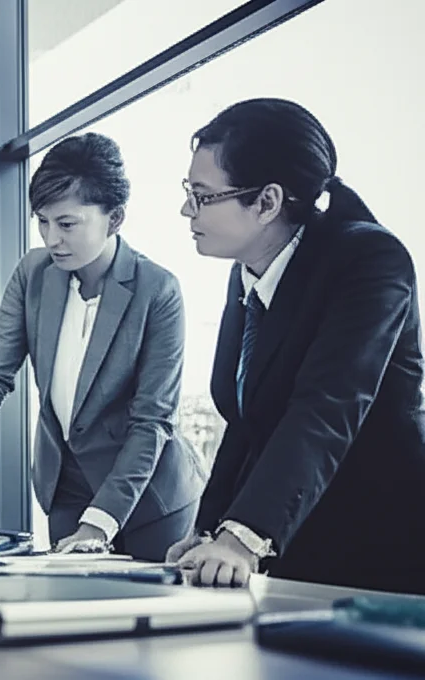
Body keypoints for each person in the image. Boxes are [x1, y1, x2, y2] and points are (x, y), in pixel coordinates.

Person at [168, 98, 425, 595]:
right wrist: (210, 530)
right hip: (297, 546)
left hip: (383, 548)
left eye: (202, 195)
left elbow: (326, 409)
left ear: (266, 202)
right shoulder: (248, 273)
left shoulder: (371, 260)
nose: (186, 209)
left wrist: (243, 537)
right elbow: (246, 423)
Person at [0, 134, 207, 561]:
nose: (52, 239)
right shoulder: (34, 272)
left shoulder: (157, 289)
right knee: (73, 618)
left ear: (115, 218)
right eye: (43, 221)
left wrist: (99, 523)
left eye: (67, 224)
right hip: (66, 488)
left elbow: (152, 422)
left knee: (147, 621)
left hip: (150, 502)